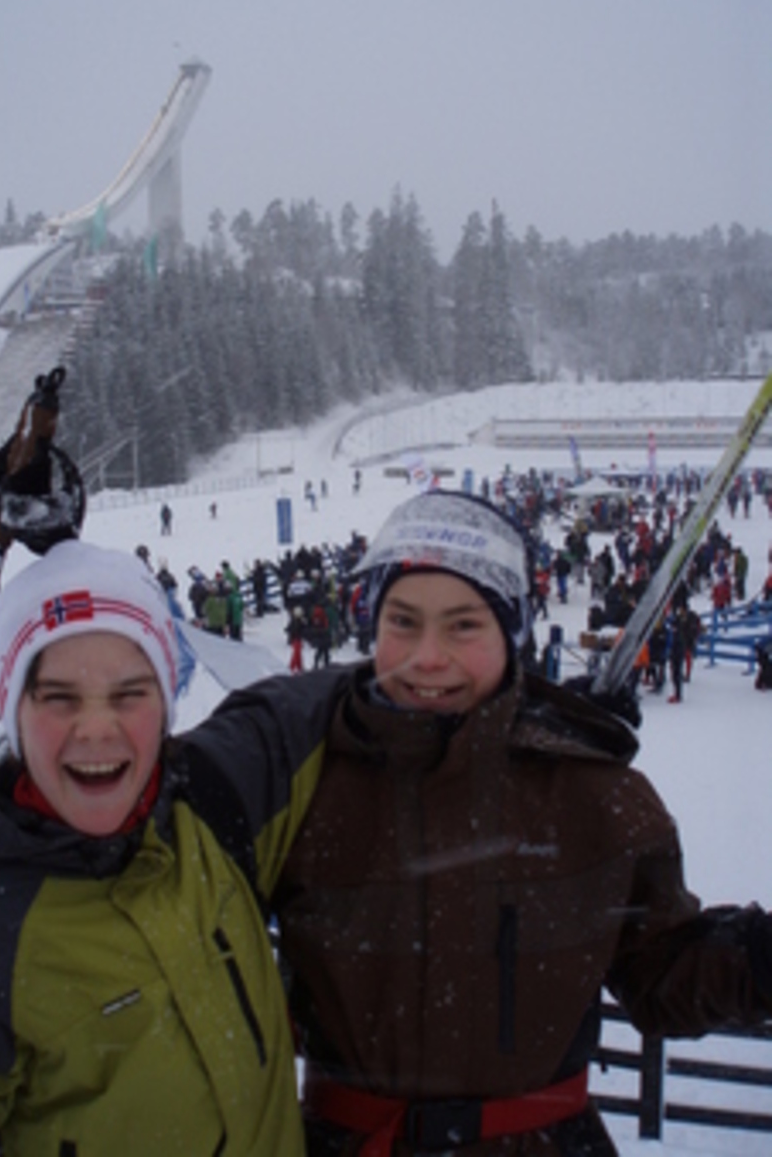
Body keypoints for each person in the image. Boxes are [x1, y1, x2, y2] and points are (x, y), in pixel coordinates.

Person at [187, 490, 772, 1157]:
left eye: (463, 625)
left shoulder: (593, 795)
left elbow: (660, 976)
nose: (427, 657)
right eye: (401, 621)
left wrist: (753, 955)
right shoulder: (307, 782)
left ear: (511, 635)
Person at [0, 541, 308, 1157]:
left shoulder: (211, 817)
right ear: (14, 712)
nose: (97, 728)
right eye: (58, 697)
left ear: (165, 707)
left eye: (130, 692)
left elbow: (334, 707)